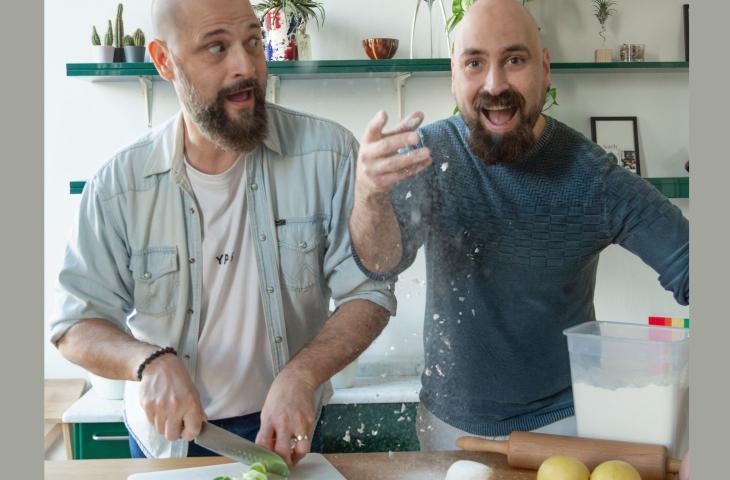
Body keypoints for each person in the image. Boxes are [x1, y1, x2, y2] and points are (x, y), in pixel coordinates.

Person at [50, 0, 395, 467]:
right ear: (163, 60)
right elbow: (75, 324)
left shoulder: (329, 156)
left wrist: (301, 375)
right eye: (216, 47)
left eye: (253, 41)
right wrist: (148, 361)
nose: (245, 66)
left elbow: (368, 291)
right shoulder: (118, 185)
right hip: (167, 440)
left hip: (292, 426)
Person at [349, 0, 688, 458]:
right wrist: (369, 193)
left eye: (514, 59)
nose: (495, 85)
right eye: (475, 62)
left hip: (563, 433)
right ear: (454, 75)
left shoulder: (593, 178)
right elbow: (381, 261)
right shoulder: (429, 154)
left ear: (544, 68)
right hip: (446, 427)